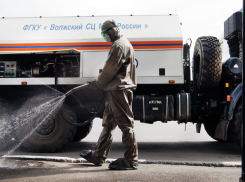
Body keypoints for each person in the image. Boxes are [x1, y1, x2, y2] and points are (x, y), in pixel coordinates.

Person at [80, 19, 138, 170]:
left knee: (125, 124)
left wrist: (97, 83)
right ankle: (99, 155)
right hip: (115, 89)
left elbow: (109, 69)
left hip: (118, 89)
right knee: (108, 123)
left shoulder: (119, 45)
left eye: (106, 33)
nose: (105, 37)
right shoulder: (123, 43)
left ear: (113, 30)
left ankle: (131, 160)